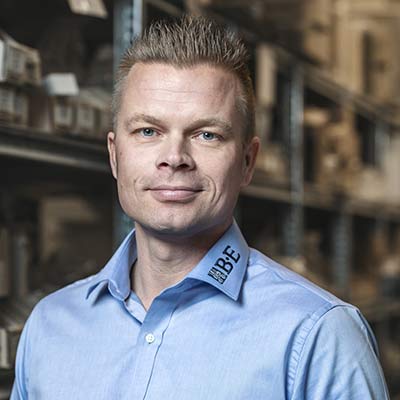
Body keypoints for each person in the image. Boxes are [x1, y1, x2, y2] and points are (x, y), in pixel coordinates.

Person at [11, 15, 389, 400]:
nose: (174, 157)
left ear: (247, 162)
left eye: (207, 134)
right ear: (114, 155)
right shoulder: (49, 327)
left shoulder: (318, 337)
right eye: (148, 131)